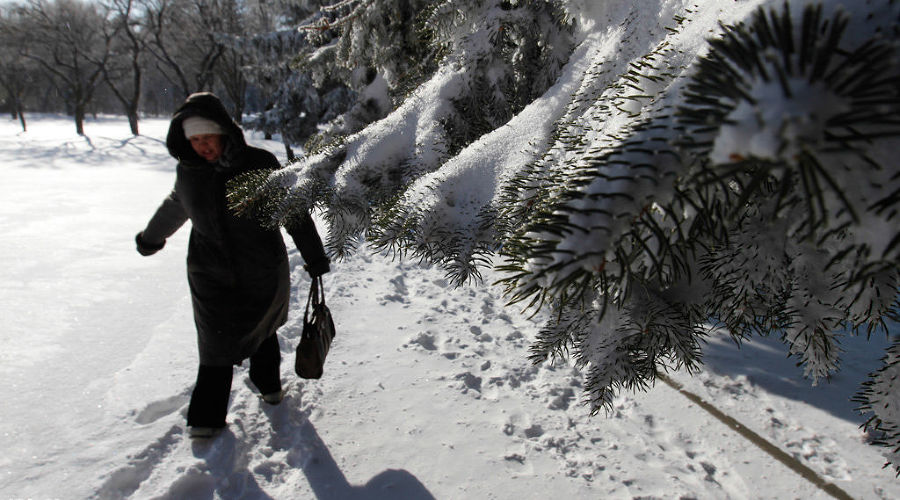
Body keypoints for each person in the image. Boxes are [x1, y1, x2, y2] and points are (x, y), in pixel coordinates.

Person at [135, 92, 329, 438]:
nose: (202, 147)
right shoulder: (188, 172)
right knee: (215, 345)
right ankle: (205, 419)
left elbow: (291, 210)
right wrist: (151, 238)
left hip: (261, 268)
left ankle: (269, 385)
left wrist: (313, 255)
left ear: (223, 131)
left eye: (207, 137)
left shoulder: (259, 163)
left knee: (263, 329)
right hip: (209, 273)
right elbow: (177, 204)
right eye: (194, 140)